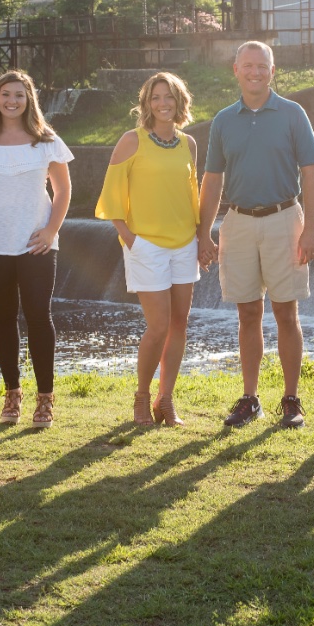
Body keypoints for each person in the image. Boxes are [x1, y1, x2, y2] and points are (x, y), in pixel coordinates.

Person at [198, 41, 314, 429]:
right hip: (237, 222)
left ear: (273, 70)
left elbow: (311, 174)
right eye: (248, 65)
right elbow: (212, 180)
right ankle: (250, 400)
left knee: (287, 312)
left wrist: (312, 228)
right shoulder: (222, 120)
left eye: (262, 66)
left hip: (285, 219)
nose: (255, 72)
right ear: (236, 69)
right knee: (247, 313)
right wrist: (204, 233)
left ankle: (291, 399)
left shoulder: (292, 113)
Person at [96, 72, 200, 426]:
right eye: (156, 97)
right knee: (158, 326)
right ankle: (142, 397)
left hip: (185, 243)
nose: (163, 103)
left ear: (179, 101)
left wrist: (202, 236)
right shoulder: (132, 140)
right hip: (146, 245)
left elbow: (192, 196)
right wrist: (129, 237)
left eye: (169, 96)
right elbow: (111, 193)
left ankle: (165, 401)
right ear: (146, 103)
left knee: (180, 323)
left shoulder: (189, 144)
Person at [0, 70, 72, 429]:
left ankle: (45, 399)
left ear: (29, 99)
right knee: (2, 316)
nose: (12, 101)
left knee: (38, 315)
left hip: (36, 244)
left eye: (19, 95)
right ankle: (12, 394)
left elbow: (63, 191)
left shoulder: (46, 140)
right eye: (5, 95)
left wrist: (50, 231)